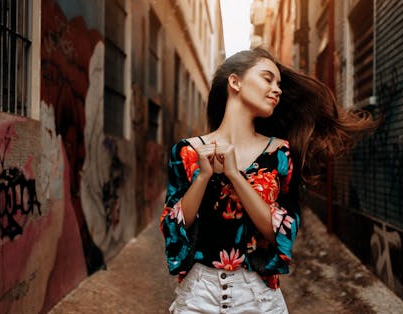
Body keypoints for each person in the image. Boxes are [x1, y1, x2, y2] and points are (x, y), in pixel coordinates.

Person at [160, 47, 376, 313]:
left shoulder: (280, 153)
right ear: (235, 81)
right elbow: (174, 225)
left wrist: (234, 175)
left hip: (257, 298)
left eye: (279, 84)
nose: (277, 90)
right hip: (197, 297)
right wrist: (203, 176)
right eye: (267, 78)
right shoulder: (186, 151)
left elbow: (281, 233)